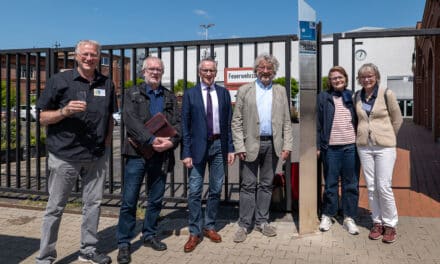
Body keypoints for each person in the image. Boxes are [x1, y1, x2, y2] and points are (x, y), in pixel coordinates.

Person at [36, 40, 117, 264]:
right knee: (55, 208)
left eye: (93, 55)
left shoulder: (107, 83)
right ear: (76, 56)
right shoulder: (59, 81)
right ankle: (45, 257)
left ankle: (88, 250)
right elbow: (42, 117)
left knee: (93, 205)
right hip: (65, 156)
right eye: (85, 54)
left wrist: (107, 144)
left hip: (96, 156)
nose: (89, 58)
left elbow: (110, 117)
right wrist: (64, 111)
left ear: (99, 57)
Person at [116, 56, 181, 263]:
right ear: (143, 72)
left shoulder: (169, 96)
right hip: (137, 154)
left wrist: (172, 142)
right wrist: (151, 139)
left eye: (159, 69)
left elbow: (178, 123)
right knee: (129, 201)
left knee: (155, 199)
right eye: (151, 69)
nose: (155, 72)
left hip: (161, 155)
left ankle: (149, 235)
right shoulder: (132, 93)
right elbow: (130, 120)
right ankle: (124, 243)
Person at [231, 53, 293, 243]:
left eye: (269, 68)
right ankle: (243, 224)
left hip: (272, 145)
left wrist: (288, 145)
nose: (266, 71)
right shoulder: (245, 90)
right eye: (262, 67)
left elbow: (287, 122)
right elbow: (237, 120)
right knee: (248, 186)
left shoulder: (281, 90)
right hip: (249, 145)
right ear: (256, 69)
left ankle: (262, 222)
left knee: (266, 185)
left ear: (274, 71)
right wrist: (239, 145)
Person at [181, 57, 235, 253]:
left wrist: (230, 148)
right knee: (195, 191)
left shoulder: (223, 93)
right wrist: (186, 152)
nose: (209, 74)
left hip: (219, 146)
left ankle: (209, 225)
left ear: (216, 72)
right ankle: (194, 231)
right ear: (199, 72)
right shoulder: (190, 94)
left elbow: (228, 123)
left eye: (212, 70)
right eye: (205, 70)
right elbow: (185, 126)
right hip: (196, 150)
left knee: (215, 188)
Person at [354, 63, 403, 243]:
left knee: (383, 185)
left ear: (376, 76)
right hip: (364, 146)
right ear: (359, 79)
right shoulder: (357, 96)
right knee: (371, 186)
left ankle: (390, 225)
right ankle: (377, 222)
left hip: (384, 146)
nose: (367, 79)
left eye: (370, 76)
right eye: (363, 76)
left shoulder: (386, 93)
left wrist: (388, 136)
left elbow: (397, 119)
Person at [317, 66, 360, 235]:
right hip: (331, 147)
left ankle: (349, 217)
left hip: (351, 146)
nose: (337, 80)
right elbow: (318, 123)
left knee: (351, 184)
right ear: (330, 81)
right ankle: (328, 214)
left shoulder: (353, 96)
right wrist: (318, 145)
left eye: (340, 77)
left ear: (345, 78)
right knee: (330, 184)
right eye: (334, 78)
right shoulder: (323, 97)